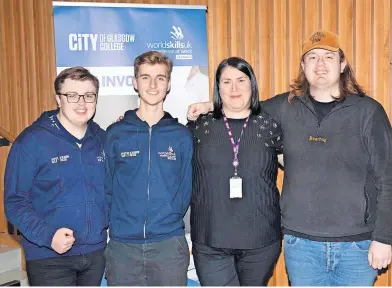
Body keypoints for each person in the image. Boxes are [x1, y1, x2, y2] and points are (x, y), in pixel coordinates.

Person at [187, 30, 392, 286]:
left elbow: (388, 177)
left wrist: (384, 237)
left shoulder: (369, 112)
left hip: (357, 247)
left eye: (328, 57)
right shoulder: (284, 107)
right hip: (301, 245)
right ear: (303, 66)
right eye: (312, 57)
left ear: (342, 64)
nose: (320, 64)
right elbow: (241, 103)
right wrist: (209, 105)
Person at [4, 67, 108, 286]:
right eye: (72, 95)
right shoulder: (31, 141)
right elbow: (15, 202)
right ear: (58, 99)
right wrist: (48, 236)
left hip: (96, 254)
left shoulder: (103, 139)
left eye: (89, 96)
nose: (82, 103)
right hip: (48, 257)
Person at [187, 57, 283, 286]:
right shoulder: (200, 125)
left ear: (252, 84)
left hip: (261, 242)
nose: (234, 88)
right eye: (226, 81)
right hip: (210, 241)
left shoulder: (270, 125)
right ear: (218, 87)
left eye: (241, 80)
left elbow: (298, 165)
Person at [104, 51, 193, 286]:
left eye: (160, 78)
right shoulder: (115, 134)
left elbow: (186, 187)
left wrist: (169, 216)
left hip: (169, 246)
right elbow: (106, 186)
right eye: (145, 77)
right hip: (123, 246)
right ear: (135, 83)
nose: (152, 85)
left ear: (169, 83)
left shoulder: (182, 136)